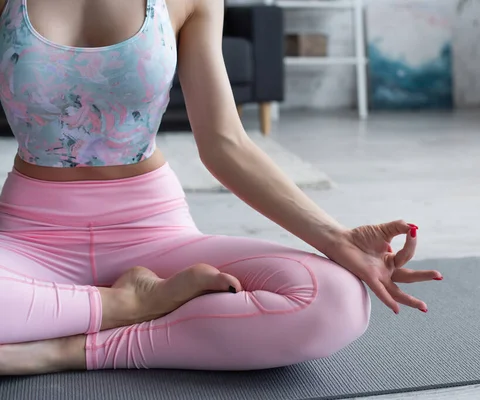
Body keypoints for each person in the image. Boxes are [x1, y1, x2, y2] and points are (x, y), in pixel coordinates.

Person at [0, 0, 443, 376]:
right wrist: (117, 305)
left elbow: (224, 143)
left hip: (151, 232)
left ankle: (67, 349)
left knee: (337, 302)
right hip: (29, 239)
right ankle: (127, 306)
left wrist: (336, 237)